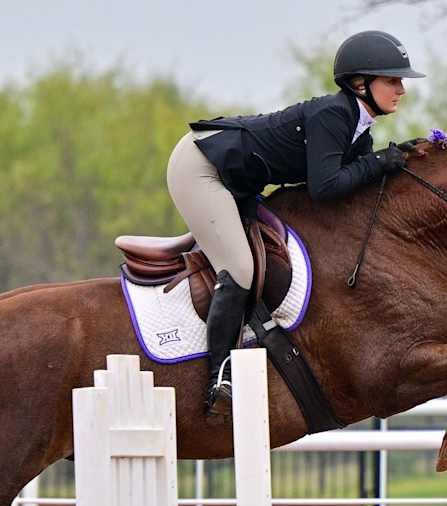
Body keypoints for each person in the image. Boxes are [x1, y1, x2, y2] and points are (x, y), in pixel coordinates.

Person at [166, 30, 424, 414]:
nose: (401, 88)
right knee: (239, 267)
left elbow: (352, 190)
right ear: (360, 84)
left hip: (237, 179)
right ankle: (218, 378)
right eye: (392, 79)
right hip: (202, 167)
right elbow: (326, 187)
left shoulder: (359, 131)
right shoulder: (333, 115)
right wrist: (378, 163)